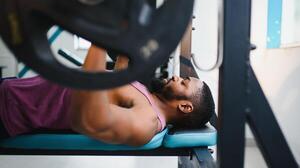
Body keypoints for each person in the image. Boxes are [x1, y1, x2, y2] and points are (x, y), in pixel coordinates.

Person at [0, 45, 215, 146]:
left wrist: (99, 41)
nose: (177, 77)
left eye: (184, 83)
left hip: (9, 112)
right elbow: (116, 80)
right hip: (12, 90)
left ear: (186, 107)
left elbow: (87, 119)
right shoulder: (148, 97)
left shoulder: (146, 121)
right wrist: (124, 43)